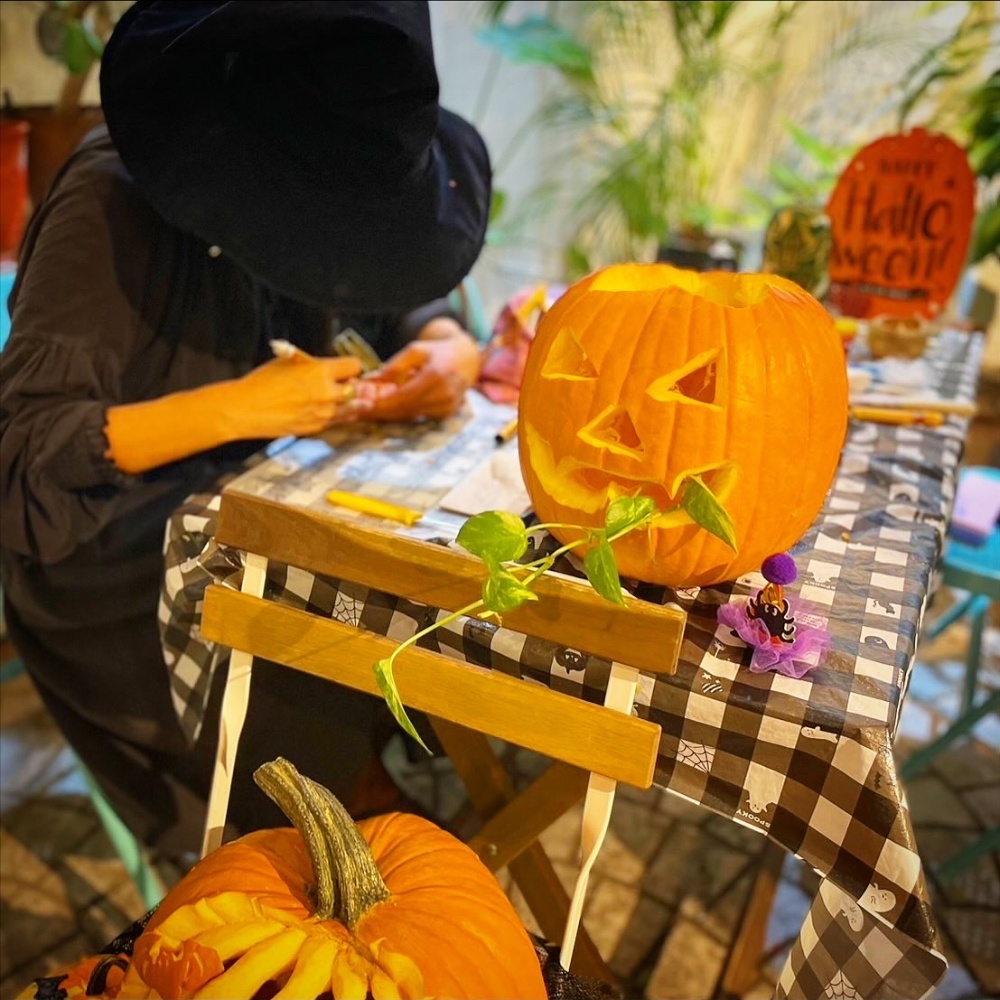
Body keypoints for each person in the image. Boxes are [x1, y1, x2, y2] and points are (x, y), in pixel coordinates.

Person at [0, 0, 491, 858]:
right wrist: (241, 407)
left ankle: (367, 798)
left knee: (414, 590)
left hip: (262, 515)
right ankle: (328, 828)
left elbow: (392, 299)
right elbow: (25, 458)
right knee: (323, 642)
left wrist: (448, 345)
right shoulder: (109, 198)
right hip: (116, 562)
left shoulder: (327, 172)